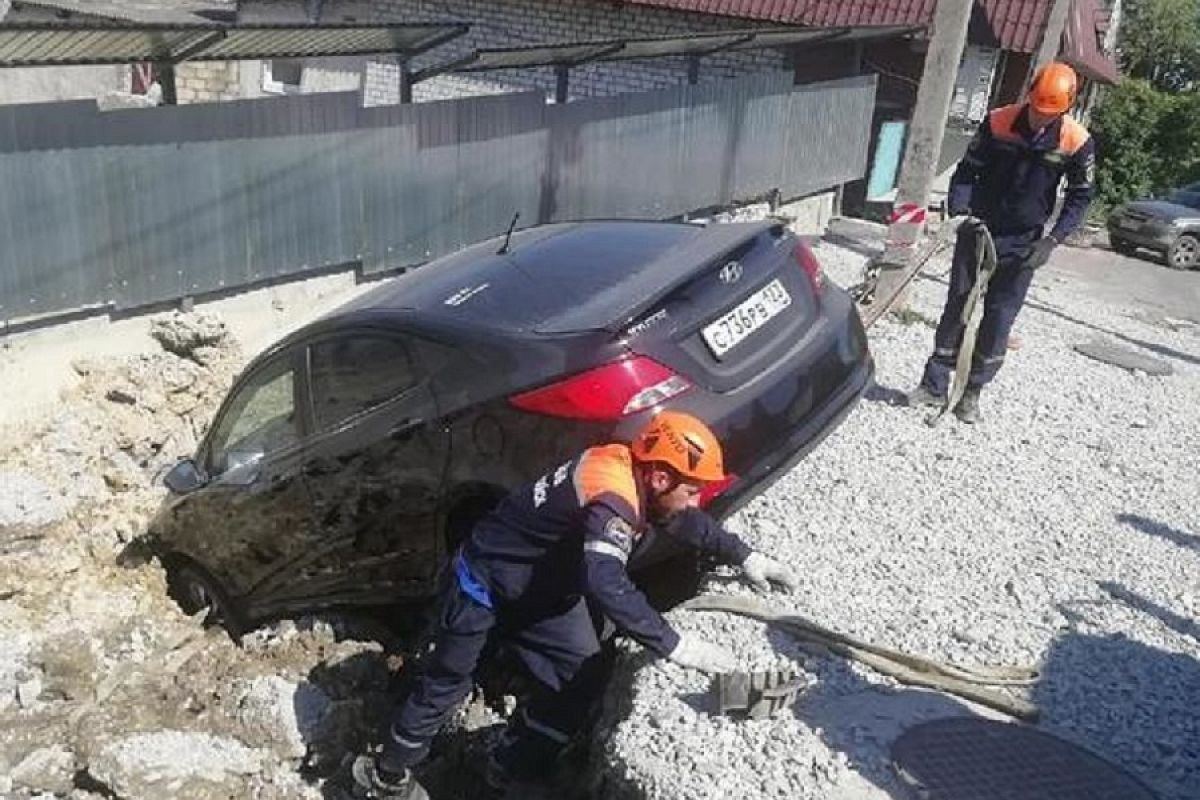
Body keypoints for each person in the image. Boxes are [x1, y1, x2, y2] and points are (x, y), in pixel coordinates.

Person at [350, 411, 798, 799]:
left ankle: (510, 764)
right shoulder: (614, 495)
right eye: (691, 489)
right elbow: (604, 581)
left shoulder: (629, 466)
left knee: (585, 674)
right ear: (660, 478)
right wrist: (676, 645)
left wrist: (745, 555)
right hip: (483, 588)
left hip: (540, 593)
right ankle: (387, 774)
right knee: (446, 682)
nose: (695, 500)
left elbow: (683, 519)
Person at [908, 62, 1095, 423]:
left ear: (1066, 107)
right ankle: (933, 386)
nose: (1041, 118)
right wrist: (960, 211)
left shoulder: (1076, 141)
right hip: (979, 229)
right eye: (1037, 108)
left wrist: (1052, 241)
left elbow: (1079, 198)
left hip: (1023, 242)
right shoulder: (998, 122)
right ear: (1029, 96)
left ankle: (972, 392)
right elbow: (967, 171)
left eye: (1049, 113)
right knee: (958, 306)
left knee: (999, 318)